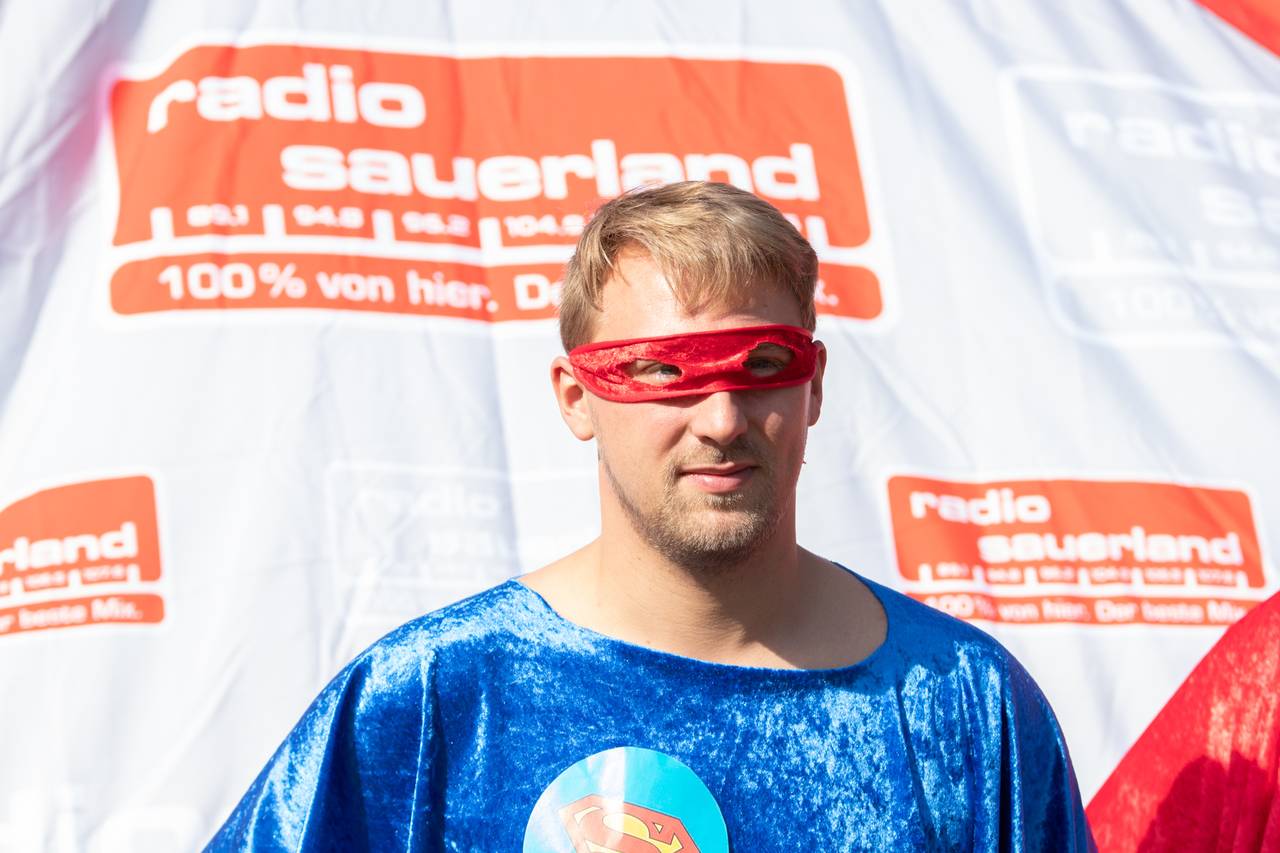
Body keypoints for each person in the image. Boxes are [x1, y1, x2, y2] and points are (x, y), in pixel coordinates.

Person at [208, 182, 1094, 851]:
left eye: (761, 364)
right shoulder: (435, 696)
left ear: (815, 384)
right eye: (665, 372)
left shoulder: (967, 702)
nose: (722, 420)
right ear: (576, 396)